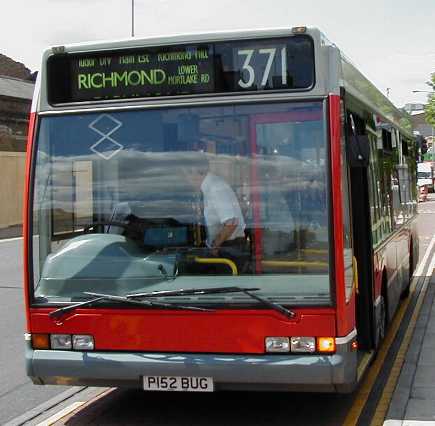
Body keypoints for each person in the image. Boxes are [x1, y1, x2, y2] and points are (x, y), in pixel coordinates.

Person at [187, 155, 246, 258]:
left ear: (195, 172)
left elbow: (231, 223)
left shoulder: (215, 188)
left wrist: (214, 247)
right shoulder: (209, 187)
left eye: (187, 174)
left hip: (228, 249)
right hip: (224, 247)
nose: (187, 179)